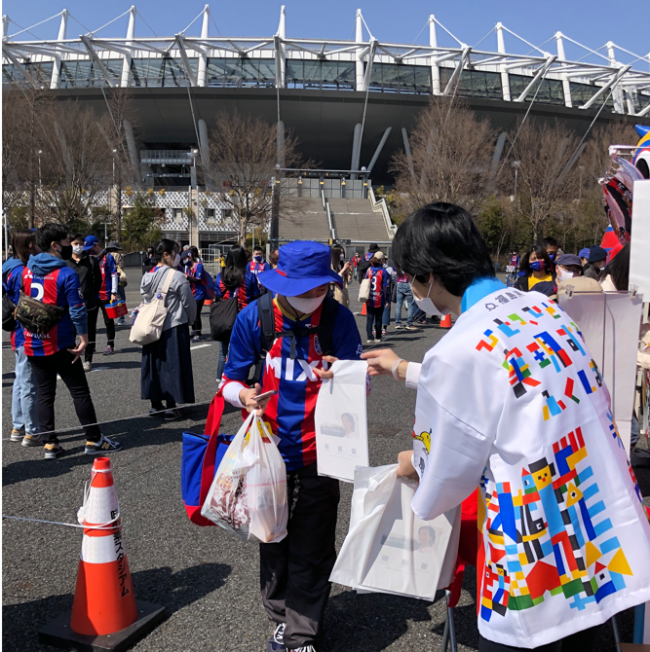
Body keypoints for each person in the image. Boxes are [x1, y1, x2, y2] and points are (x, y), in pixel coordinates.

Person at [362, 202, 650, 651]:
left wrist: (412, 463)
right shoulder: (542, 309)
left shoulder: (456, 349)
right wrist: (403, 369)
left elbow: (445, 475)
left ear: (430, 277)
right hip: (598, 531)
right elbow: (514, 382)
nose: (415, 290)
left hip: (533, 548)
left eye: (412, 279)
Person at [220, 240, 362, 652]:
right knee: (273, 540)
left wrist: (349, 375)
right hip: (269, 454)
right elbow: (229, 379)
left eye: (320, 290)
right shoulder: (256, 317)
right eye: (305, 292)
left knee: (313, 546)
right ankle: (280, 615)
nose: (313, 299)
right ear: (281, 285)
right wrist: (243, 396)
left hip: (323, 452)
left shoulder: (338, 319)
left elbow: (361, 383)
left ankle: (303, 632)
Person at [22, 223, 121, 459]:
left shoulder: (27, 270)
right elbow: (77, 310)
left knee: (45, 393)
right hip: (61, 341)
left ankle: (50, 444)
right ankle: (94, 439)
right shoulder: (65, 273)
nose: (72, 245)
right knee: (79, 392)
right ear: (55, 245)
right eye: (67, 242)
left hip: (32, 340)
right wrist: (85, 338)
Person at [140, 239, 196, 420]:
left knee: (153, 365)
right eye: (175, 252)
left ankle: (155, 405)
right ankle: (171, 406)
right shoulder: (177, 276)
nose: (177, 256)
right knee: (173, 365)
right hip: (173, 325)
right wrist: (191, 321)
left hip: (151, 326)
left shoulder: (147, 275)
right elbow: (189, 303)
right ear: (166, 254)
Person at [2, 229, 40, 445]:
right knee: (28, 383)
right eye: (35, 243)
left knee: (20, 379)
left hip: (17, 332)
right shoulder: (21, 271)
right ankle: (32, 431)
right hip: (26, 331)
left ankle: (18, 426)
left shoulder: (8, 267)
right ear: (28, 245)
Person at [214, 245, 261, 382]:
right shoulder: (249, 277)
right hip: (244, 317)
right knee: (243, 351)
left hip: (224, 317)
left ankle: (220, 379)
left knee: (223, 353)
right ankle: (240, 380)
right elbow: (255, 297)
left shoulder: (221, 276)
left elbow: (218, 295)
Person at [67, 234, 102, 371]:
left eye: (81, 243)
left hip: (89, 303)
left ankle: (88, 359)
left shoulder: (91, 261)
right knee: (71, 333)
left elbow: (97, 281)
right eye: (75, 243)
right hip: (70, 304)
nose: (78, 246)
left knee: (90, 332)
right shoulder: (65, 262)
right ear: (70, 244)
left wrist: (91, 294)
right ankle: (72, 358)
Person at [84, 235, 118, 356]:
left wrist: (114, 292)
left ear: (96, 245)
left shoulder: (108, 257)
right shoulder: (88, 258)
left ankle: (110, 345)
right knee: (91, 322)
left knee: (108, 321)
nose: (89, 250)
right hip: (93, 295)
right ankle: (91, 346)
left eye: (90, 247)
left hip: (107, 295)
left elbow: (114, 274)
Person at [364, 253, 391, 344]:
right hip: (379, 297)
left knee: (369, 319)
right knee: (379, 318)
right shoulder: (383, 271)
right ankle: (378, 336)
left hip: (370, 297)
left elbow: (365, 282)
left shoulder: (369, 271)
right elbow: (386, 287)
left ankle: (369, 337)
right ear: (380, 262)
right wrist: (387, 300)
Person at [182, 247, 207, 342]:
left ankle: (198, 333)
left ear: (190, 257)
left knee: (196, 314)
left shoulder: (198, 266)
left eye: (185, 259)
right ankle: (193, 330)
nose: (184, 261)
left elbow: (198, 280)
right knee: (191, 313)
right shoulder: (188, 268)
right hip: (191, 293)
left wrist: (187, 277)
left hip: (199, 294)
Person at [106, 242, 127, 325]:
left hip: (109, 280)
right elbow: (121, 267)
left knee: (111, 300)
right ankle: (121, 319)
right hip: (117, 279)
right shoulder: (117, 255)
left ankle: (110, 318)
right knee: (121, 298)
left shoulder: (105, 256)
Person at [382, 254, 397, 336]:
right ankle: (384, 328)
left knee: (376, 310)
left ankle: (374, 327)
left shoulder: (373, 268)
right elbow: (394, 279)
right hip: (386, 291)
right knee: (386, 310)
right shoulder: (389, 269)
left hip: (376, 291)